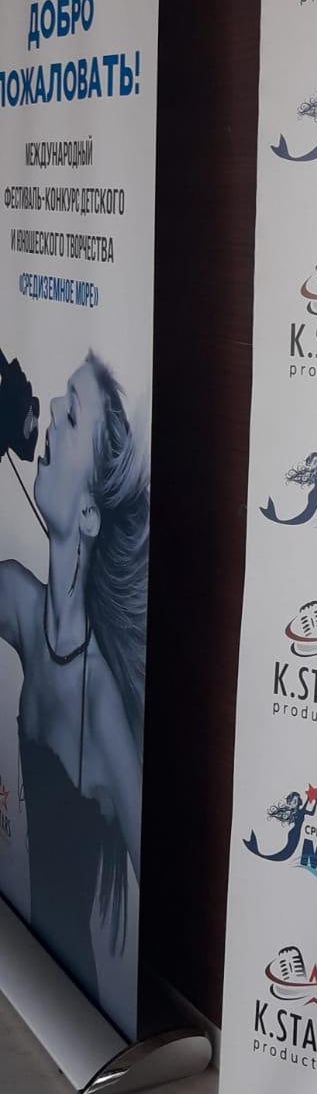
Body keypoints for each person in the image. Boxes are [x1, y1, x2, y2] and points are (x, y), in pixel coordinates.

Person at [0, 350, 147, 1014]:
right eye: (60, 399)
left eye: (71, 412)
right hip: (26, 984)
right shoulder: (21, 605)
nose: (52, 409)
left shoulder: (102, 707)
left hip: (81, 1017)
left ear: (89, 513)